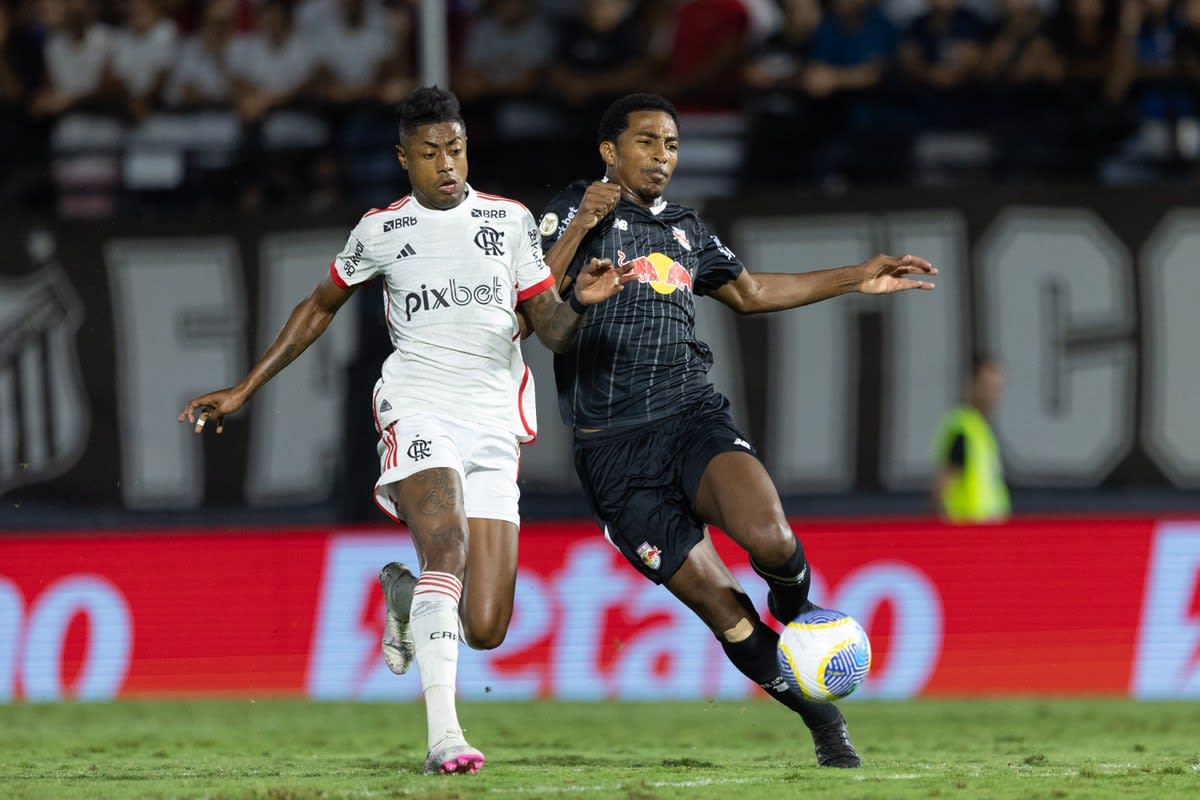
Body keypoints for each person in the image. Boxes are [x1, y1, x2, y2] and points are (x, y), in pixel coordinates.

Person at [179, 86, 633, 776]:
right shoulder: (381, 231)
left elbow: (553, 333)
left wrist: (583, 302)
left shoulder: (508, 222)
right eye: (429, 153)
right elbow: (317, 307)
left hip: (491, 421)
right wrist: (245, 387)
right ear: (404, 158)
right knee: (447, 544)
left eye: (454, 149)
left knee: (486, 626)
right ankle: (444, 738)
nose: (446, 164)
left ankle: (403, 595)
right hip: (417, 404)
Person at [533, 92, 937, 768]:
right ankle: (822, 720)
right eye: (647, 141)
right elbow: (540, 319)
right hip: (612, 453)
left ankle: (800, 612)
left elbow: (751, 294)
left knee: (772, 537)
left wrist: (857, 275)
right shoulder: (563, 213)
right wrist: (578, 228)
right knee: (726, 612)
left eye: (672, 144)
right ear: (609, 150)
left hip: (689, 416)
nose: (663, 155)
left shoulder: (688, 230)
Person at [931, 353, 1010, 523]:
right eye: (987, 386)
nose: (993, 395)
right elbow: (941, 489)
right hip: (969, 533)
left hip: (986, 531)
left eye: (997, 388)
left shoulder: (981, 429)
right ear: (972, 385)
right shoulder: (963, 430)